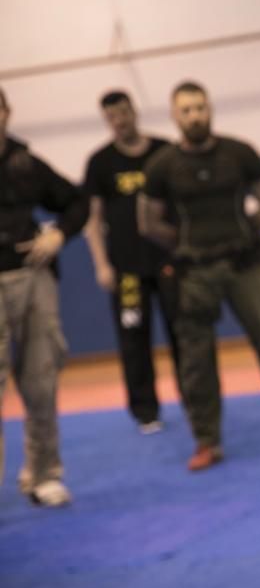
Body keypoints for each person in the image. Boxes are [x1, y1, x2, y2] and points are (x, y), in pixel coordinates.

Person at [138, 81, 260, 471]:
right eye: (186, 110)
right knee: (196, 361)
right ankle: (207, 441)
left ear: (210, 109)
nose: (194, 115)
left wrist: (242, 236)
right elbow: (149, 222)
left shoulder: (239, 152)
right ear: (175, 115)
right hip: (193, 271)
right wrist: (186, 245)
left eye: (200, 107)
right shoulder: (162, 165)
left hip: (243, 265)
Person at [0, 86, 88, 506]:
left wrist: (58, 234)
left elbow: (76, 202)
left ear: (7, 113)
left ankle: (43, 474)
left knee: (40, 379)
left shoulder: (27, 164)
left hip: (32, 278)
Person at [83, 90, 180, 434]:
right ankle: (146, 412)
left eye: (124, 113)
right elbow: (92, 219)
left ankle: (196, 400)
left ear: (134, 111)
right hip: (126, 270)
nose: (120, 121)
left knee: (183, 334)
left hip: (169, 263)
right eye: (112, 117)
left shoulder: (164, 151)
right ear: (107, 120)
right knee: (133, 340)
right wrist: (101, 265)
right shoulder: (100, 163)